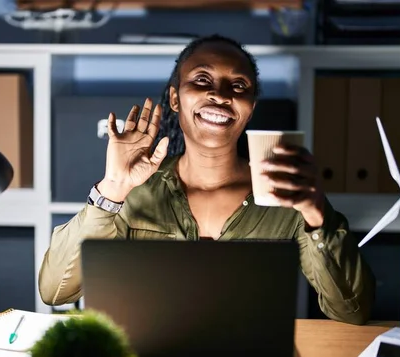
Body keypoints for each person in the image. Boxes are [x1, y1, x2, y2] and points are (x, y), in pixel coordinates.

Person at [39, 34, 376, 325]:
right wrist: (113, 188)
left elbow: (352, 312)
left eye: (239, 85)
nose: (221, 95)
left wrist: (316, 216)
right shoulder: (134, 191)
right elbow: (55, 291)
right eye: (202, 80)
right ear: (175, 98)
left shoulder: (287, 193)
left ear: (251, 107)